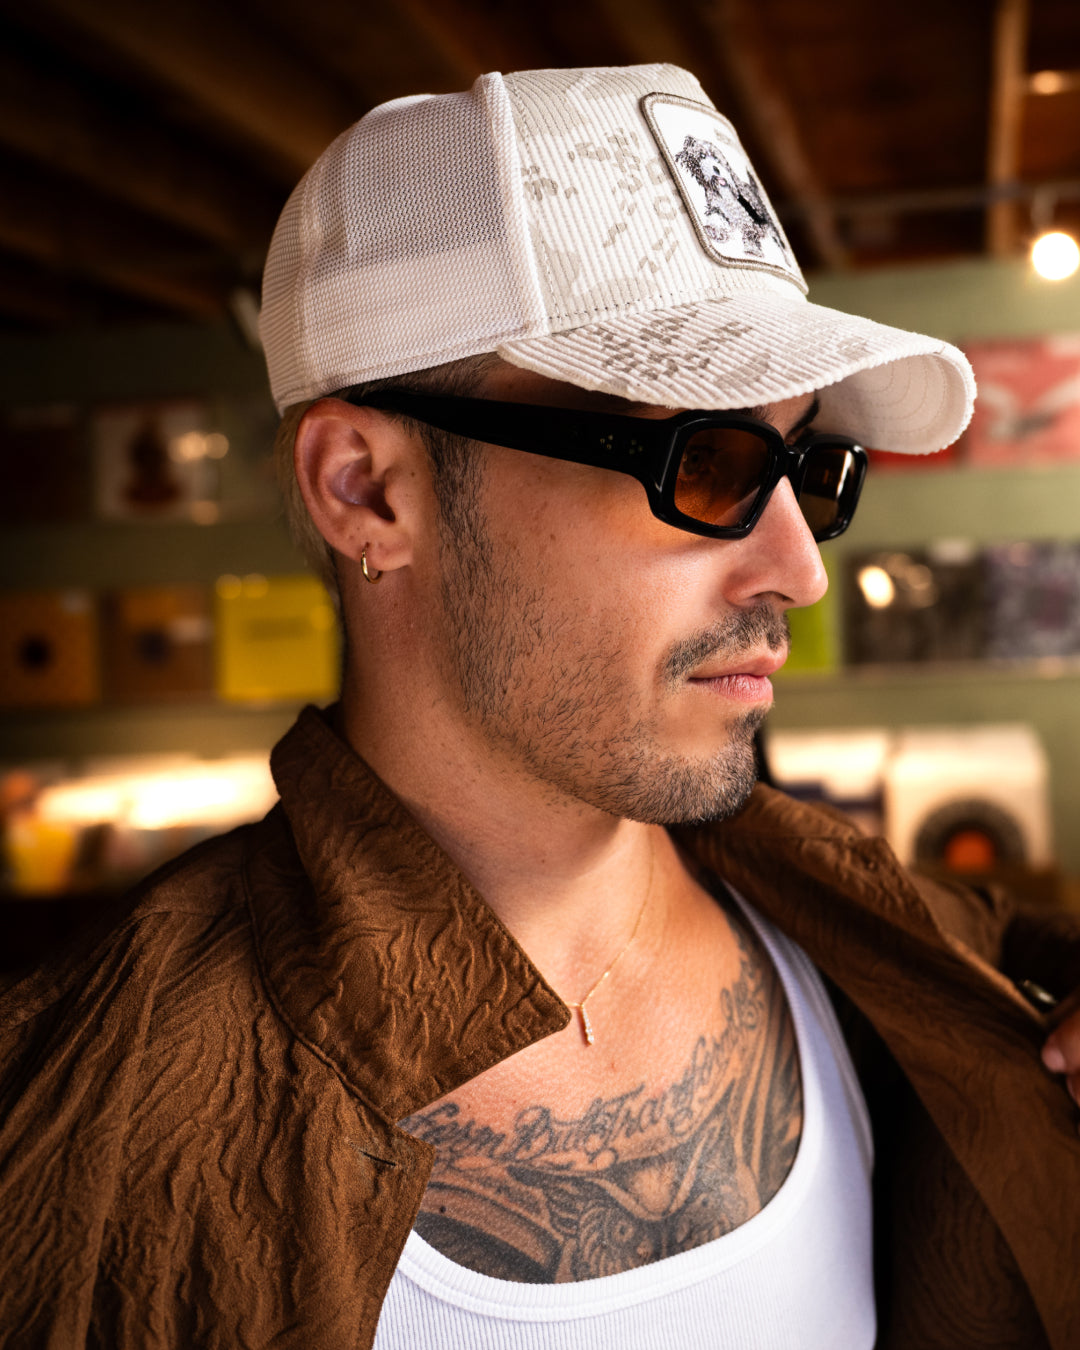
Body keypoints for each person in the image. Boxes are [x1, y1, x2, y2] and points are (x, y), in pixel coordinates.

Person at [2, 61, 1079, 1350]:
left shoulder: (886, 949)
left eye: (809, 466)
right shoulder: (86, 1148)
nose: (800, 570)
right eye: (704, 459)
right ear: (367, 490)